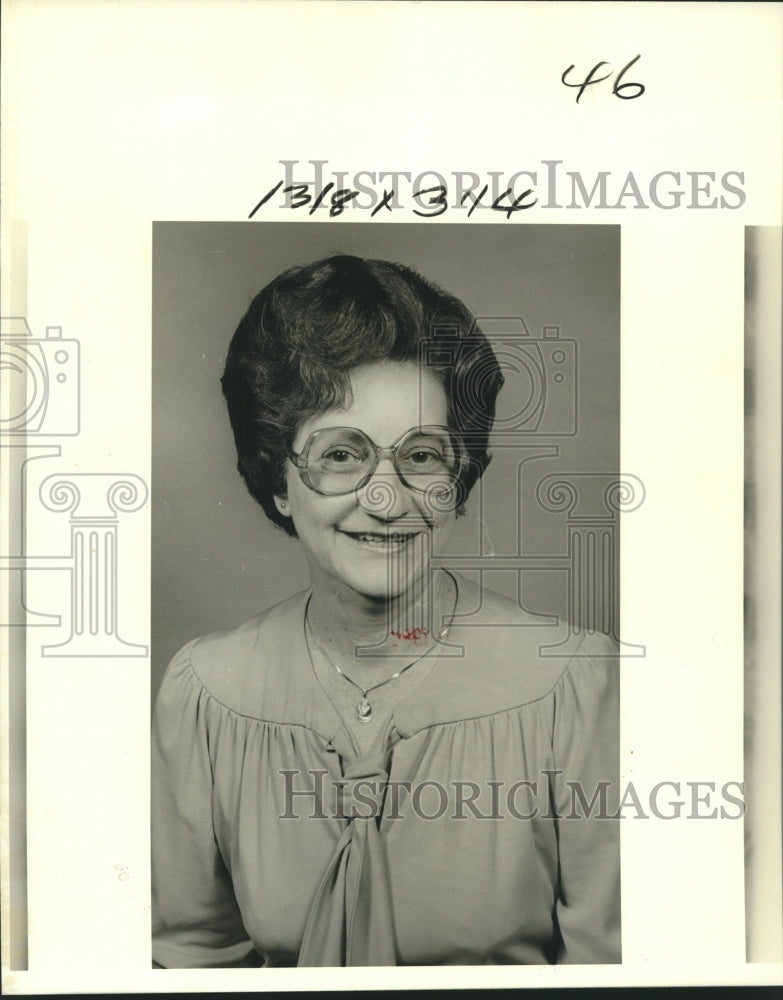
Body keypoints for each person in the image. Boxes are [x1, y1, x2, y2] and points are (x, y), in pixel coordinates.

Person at [151, 254, 620, 968]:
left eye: (424, 456)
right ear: (277, 479)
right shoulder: (207, 692)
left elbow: (617, 976)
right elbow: (193, 963)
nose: (384, 497)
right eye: (341, 455)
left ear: (459, 480)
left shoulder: (573, 685)